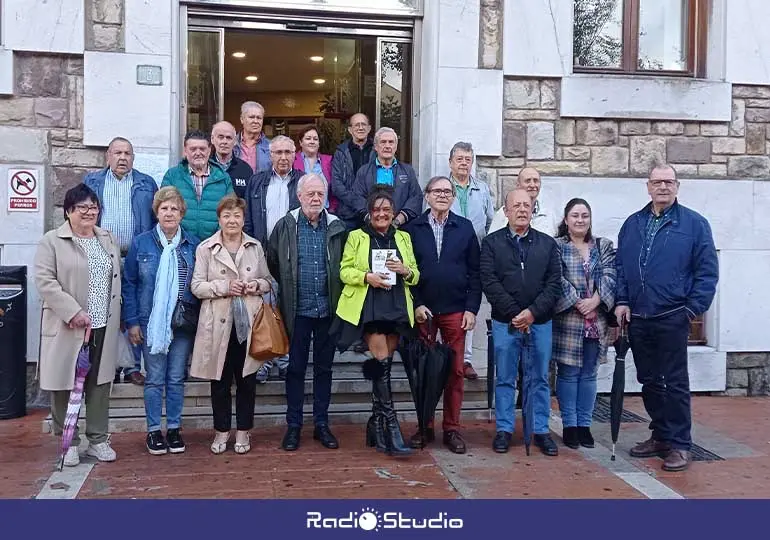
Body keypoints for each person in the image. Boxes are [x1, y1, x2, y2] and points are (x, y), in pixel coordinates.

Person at [615, 164, 718, 472]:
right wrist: (621, 301)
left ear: (677, 186)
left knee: (674, 382)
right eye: (657, 182)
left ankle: (680, 444)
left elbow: (707, 272)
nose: (663, 187)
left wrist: (691, 309)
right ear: (648, 186)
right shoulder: (633, 224)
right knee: (648, 380)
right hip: (640, 317)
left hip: (673, 315)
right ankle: (660, 433)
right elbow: (621, 267)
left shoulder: (695, 225)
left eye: (669, 182)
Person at [34, 184, 121, 466]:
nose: (88, 212)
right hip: (68, 326)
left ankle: (97, 439)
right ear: (69, 211)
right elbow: (45, 282)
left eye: (93, 207)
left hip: (101, 325)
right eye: (81, 207)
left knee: (99, 384)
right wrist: (73, 312)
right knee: (64, 385)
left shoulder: (107, 238)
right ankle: (68, 441)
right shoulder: (53, 240)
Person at [334, 187, 420, 457]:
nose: (382, 214)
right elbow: (344, 270)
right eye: (377, 210)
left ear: (393, 213)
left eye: (387, 210)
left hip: (396, 307)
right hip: (369, 306)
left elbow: (416, 273)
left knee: (383, 367)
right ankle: (392, 427)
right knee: (381, 363)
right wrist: (366, 276)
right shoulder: (356, 237)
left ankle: (376, 423)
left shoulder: (404, 237)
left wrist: (405, 271)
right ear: (369, 214)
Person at [267, 173, 347, 451]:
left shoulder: (337, 227)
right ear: (299, 196)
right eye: (310, 194)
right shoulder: (285, 226)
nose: (315, 198)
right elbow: (273, 263)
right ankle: (294, 426)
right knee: (296, 370)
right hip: (297, 311)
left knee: (324, 370)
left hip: (328, 311)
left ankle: (322, 425)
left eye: (319, 194)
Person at [190, 194, 274, 455]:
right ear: (219, 219)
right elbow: (196, 286)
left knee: (247, 380)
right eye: (226, 215)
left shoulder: (255, 246)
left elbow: (268, 281)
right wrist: (224, 287)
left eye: (236, 215)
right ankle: (221, 431)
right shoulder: (206, 248)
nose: (232, 220)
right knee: (221, 381)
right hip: (218, 324)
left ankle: (244, 431)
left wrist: (255, 285)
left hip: (249, 324)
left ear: (243, 218)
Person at [481, 188, 561, 456]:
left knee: (539, 378)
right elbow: (489, 282)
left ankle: (540, 429)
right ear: (506, 211)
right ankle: (504, 429)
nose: (522, 210)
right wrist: (516, 313)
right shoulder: (492, 244)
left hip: (540, 323)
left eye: (527, 205)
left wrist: (532, 313)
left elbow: (553, 284)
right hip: (506, 322)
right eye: (516, 205)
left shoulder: (547, 244)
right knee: (505, 377)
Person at [405, 176, 481, 454]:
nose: (442, 195)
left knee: (455, 372)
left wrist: (472, 309)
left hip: (455, 310)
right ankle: (424, 427)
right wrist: (415, 304)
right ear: (426, 196)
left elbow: (476, 272)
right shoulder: (413, 228)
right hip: (424, 311)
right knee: (424, 373)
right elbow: (406, 271)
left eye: (447, 192)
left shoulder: (465, 228)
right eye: (437, 191)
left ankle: (452, 429)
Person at [122, 187, 200, 455]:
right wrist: (131, 322)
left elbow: (197, 284)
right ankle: (154, 430)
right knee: (155, 378)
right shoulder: (141, 243)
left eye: (174, 208)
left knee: (176, 377)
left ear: (181, 213)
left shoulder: (192, 243)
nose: (169, 213)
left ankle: (175, 428)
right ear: (156, 212)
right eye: (164, 208)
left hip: (181, 323)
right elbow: (129, 283)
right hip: (149, 322)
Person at [84, 136, 157, 385]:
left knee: (133, 308)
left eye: (127, 153)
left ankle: (132, 366)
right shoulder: (92, 182)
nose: (122, 158)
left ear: (133, 158)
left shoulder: (146, 184)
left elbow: (154, 220)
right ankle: (107, 365)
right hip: (102, 254)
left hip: (136, 255)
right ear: (108, 156)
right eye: (117, 153)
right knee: (104, 309)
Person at [552, 198, 616, 450]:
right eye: (575, 215)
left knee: (589, 374)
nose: (580, 220)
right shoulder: (556, 247)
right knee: (568, 374)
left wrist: (596, 301)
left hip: (596, 320)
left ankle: (584, 425)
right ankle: (569, 426)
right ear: (566, 219)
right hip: (569, 319)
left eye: (585, 216)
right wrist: (579, 302)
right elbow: (556, 278)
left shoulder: (603, 246)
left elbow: (612, 275)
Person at [244, 134, 303, 382]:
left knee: (289, 307)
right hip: (262, 252)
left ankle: (286, 359)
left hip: (293, 254)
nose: (283, 157)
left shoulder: (303, 182)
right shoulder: (257, 182)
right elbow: (247, 219)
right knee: (263, 308)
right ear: (270, 155)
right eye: (277, 152)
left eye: (287, 152)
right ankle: (266, 360)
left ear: (295, 154)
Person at [447, 141, 494, 381]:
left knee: (470, 307)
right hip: (448, 256)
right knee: (448, 308)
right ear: (451, 162)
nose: (464, 163)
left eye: (468, 159)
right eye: (460, 158)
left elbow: (490, 222)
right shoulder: (442, 188)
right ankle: (446, 356)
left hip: (474, 256)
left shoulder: (482, 189)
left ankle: (465, 359)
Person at [161, 130, 234, 240]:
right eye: (193, 149)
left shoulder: (223, 178)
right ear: (185, 151)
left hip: (214, 245)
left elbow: (231, 210)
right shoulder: (172, 176)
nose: (198, 153)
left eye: (202, 149)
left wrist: (217, 239)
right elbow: (163, 210)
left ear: (209, 150)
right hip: (180, 244)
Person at [352, 127, 422, 228]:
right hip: (370, 229)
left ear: (396, 146)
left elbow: (416, 198)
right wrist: (372, 221)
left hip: (401, 228)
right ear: (376, 146)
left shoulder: (408, 171)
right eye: (383, 142)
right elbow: (357, 198)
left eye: (391, 142)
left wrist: (397, 221)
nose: (387, 146)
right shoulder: (363, 172)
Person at [331, 113, 374, 229]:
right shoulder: (340, 152)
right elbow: (336, 185)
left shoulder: (377, 150)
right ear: (350, 130)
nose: (360, 128)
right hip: (347, 214)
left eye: (363, 124)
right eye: (357, 125)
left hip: (373, 213)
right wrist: (357, 202)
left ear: (369, 128)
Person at [489, 167, 558, 235]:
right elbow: (493, 240)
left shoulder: (550, 214)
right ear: (518, 185)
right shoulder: (504, 213)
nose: (532, 185)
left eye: (536, 181)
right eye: (528, 181)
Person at [292, 125, 337, 213]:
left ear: (319, 143)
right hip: (300, 212)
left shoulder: (329, 161)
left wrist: (333, 208)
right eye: (308, 138)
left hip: (325, 211)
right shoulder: (293, 160)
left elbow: (335, 186)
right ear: (301, 142)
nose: (312, 142)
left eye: (315, 139)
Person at [212, 120, 255, 198]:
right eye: (220, 137)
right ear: (212, 139)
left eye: (229, 138)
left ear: (235, 141)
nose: (224, 141)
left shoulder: (245, 169)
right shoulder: (205, 167)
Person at [233, 101, 271, 172]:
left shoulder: (271, 146)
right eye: (251, 117)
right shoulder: (231, 144)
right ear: (242, 119)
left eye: (259, 118)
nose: (255, 121)